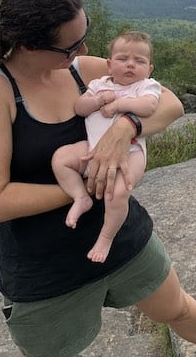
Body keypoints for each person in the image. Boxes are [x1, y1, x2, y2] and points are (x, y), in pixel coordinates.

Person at [0, 0, 196, 357]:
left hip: (124, 238)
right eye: (71, 45)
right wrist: (88, 186)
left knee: (176, 308)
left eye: (85, 35)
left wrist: (127, 127)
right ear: (27, 45)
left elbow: (170, 104)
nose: (85, 49)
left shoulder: (81, 70)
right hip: (47, 271)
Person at [51, 30, 161, 263]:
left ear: (149, 69)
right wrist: (98, 100)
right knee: (61, 158)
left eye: (139, 61)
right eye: (123, 59)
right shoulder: (99, 84)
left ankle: (106, 236)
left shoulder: (146, 86)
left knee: (118, 192)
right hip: (92, 148)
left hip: (130, 153)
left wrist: (119, 104)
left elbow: (149, 107)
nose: (130, 65)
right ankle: (81, 197)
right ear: (109, 65)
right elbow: (80, 107)